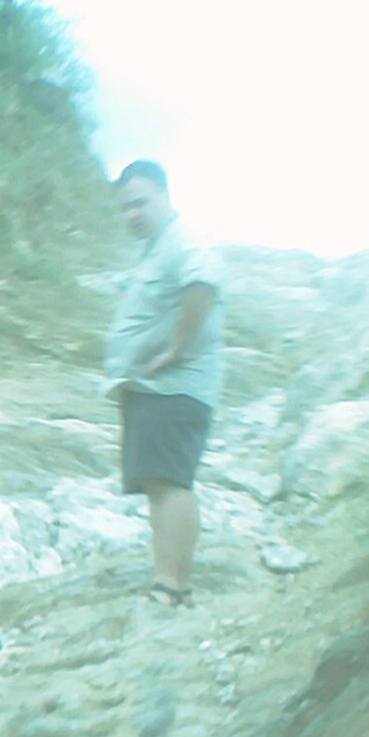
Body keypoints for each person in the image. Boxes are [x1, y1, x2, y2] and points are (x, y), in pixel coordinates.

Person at [103, 159, 223, 607]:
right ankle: (172, 582)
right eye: (125, 208)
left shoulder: (184, 240)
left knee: (170, 483)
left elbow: (202, 285)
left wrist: (177, 349)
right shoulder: (159, 247)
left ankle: (170, 585)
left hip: (174, 387)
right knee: (161, 483)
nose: (132, 214)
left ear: (164, 194)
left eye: (140, 202)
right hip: (154, 389)